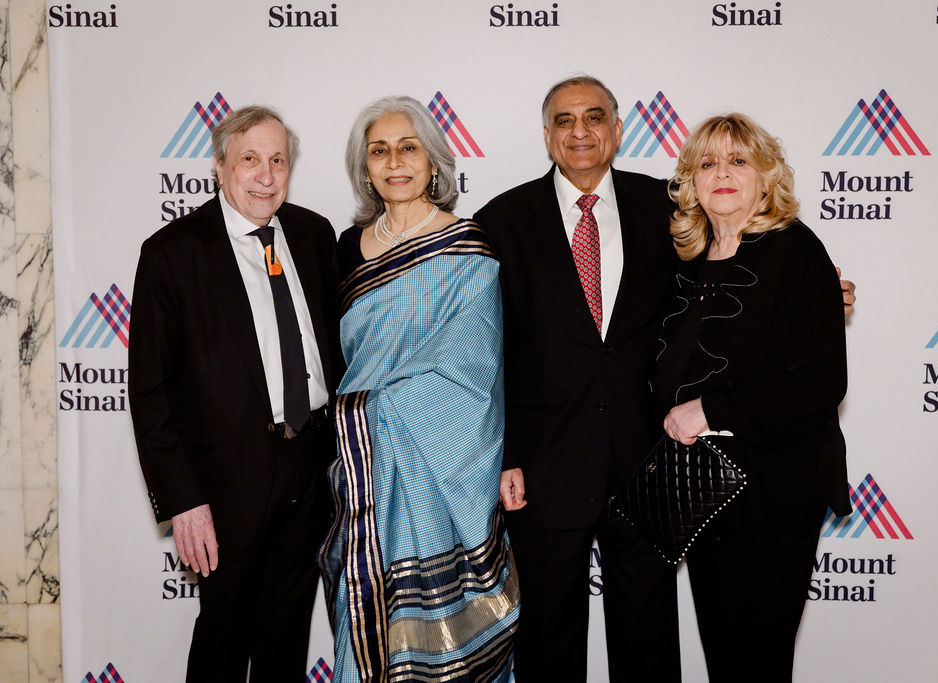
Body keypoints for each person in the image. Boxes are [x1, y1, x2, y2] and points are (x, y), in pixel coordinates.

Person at [474, 75, 683, 682]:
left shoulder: (668, 210)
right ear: (547, 136)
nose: (581, 131)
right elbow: (487, 352)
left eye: (595, 117)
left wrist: (809, 290)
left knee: (648, 639)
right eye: (565, 121)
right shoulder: (503, 220)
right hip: (543, 468)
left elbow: (725, 280)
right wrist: (506, 457)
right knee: (546, 643)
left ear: (618, 129)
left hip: (647, 461)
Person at [128, 106, 340, 682]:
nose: (265, 175)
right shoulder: (173, 253)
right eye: (249, 159)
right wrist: (183, 501)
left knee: (287, 639)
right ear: (220, 167)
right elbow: (151, 392)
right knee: (222, 642)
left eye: (277, 161)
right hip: (225, 486)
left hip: (310, 468)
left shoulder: (314, 235)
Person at [318, 96, 518, 682]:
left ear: (433, 161)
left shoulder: (467, 245)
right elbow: (342, 358)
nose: (394, 162)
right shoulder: (346, 249)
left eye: (408, 147)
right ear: (365, 167)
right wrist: (362, 420)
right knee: (368, 609)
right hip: (362, 470)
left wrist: (378, 411)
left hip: (439, 461)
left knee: (445, 624)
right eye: (379, 151)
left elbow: (474, 371)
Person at [654, 113, 852, 682]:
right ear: (690, 181)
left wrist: (711, 410)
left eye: (739, 161)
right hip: (702, 491)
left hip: (775, 491)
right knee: (725, 655)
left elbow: (819, 381)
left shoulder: (795, 252)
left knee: (757, 659)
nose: (723, 173)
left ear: (766, 179)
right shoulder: (686, 263)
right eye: (708, 162)